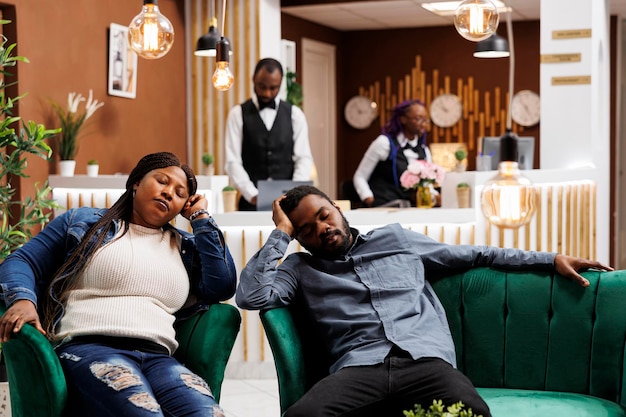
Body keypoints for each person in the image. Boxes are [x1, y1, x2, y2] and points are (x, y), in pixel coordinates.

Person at [236, 185, 612, 417]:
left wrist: (549, 260)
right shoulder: (300, 268)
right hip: (358, 368)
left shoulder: (397, 240)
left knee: (473, 413)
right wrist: (280, 235)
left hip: (424, 362)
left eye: (324, 215)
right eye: (307, 229)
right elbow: (251, 295)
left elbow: (476, 255)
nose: (323, 228)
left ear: (338, 209)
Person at [0, 152, 237, 417]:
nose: (169, 193)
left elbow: (222, 285)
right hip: (90, 349)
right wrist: (22, 300)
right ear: (136, 182)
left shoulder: (185, 247)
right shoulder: (84, 222)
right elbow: (22, 260)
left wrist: (201, 218)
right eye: (162, 181)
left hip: (159, 358)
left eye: (180, 193)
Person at [224, 57, 314, 211]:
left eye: (273, 88)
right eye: (262, 86)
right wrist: (252, 194)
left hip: (288, 204)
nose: (267, 93)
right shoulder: (237, 114)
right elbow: (232, 162)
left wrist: (293, 193)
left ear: (280, 85)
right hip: (250, 203)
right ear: (253, 79)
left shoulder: (295, 115)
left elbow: (303, 159)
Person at [353, 99, 433, 207]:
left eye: (425, 120)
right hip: (383, 206)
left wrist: (434, 196)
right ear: (403, 119)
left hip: (410, 208)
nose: (423, 124)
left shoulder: (424, 150)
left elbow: (427, 184)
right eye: (418, 119)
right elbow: (360, 176)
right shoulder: (384, 143)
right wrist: (369, 200)